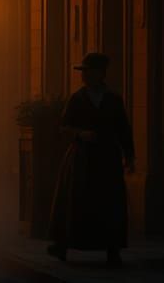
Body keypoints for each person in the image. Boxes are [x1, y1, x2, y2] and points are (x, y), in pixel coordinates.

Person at [47, 52, 135, 267]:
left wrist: (129, 155)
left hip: (107, 158)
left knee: (110, 203)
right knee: (75, 201)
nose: (84, 76)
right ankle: (64, 244)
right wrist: (80, 134)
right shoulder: (77, 99)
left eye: (89, 72)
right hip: (82, 158)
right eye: (84, 72)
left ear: (100, 74)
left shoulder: (113, 100)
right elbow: (63, 127)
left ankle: (112, 249)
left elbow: (123, 129)